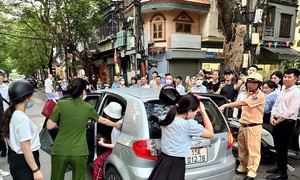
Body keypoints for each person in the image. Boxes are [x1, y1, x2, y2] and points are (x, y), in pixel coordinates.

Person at [46, 78, 122, 180]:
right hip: (79, 152)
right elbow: (103, 120)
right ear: (83, 91)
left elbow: (49, 126)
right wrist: (116, 125)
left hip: (60, 150)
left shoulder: (60, 104)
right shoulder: (88, 107)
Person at [148, 93, 214, 180]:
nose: (196, 115)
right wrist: (204, 112)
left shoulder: (167, 117)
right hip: (177, 163)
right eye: (196, 112)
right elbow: (210, 133)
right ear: (189, 112)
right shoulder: (189, 125)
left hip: (163, 160)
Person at [219, 72, 265, 180]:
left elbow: (242, 103)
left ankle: (252, 172)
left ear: (259, 84)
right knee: (242, 149)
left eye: (254, 83)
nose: (251, 84)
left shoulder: (258, 96)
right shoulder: (246, 94)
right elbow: (240, 106)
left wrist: (226, 105)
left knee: (253, 151)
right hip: (243, 125)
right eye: (249, 82)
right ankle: (243, 167)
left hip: (253, 127)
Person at [2, 80, 43, 180]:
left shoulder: (14, 114)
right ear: (26, 99)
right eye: (31, 96)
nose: (32, 99)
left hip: (16, 160)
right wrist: (35, 170)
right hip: (25, 163)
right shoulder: (22, 119)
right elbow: (25, 148)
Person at [267, 68, 300, 180]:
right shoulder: (283, 91)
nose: (286, 79)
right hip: (276, 120)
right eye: (285, 76)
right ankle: (279, 167)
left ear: (296, 79)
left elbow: (291, 111)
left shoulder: (296, 92)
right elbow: (276, 105)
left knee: (282, 147)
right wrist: (272, 116)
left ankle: (283, 173)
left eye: (289, 77)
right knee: (277, 146)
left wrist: (278, 120)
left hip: (287, 122)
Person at [93, 102, 123, 180]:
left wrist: (103, 143)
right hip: (122, 148)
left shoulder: (116, 127)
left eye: (106, 114)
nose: (105, 116)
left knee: (98, 163)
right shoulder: (122, 120)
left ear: (110, 116)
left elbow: (115, 145)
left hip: (115, 149)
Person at [0, 69, 9, 158]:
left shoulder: (7, 88)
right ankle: (3, 148)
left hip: (6, 113)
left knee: (8, 132)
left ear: (3, 77)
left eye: (0, 75)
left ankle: (10, 150)